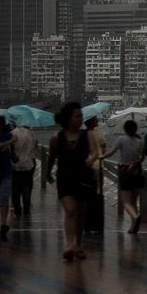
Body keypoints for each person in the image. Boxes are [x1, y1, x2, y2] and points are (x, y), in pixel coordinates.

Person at [45, 103, 94, 261]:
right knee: (71, 210)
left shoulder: (87, 135)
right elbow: (52, 156)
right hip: (65, 178)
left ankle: (78, 244)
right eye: (77, 116)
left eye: (81, 116)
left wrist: (90, 158)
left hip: (83, 178)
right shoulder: (56, 138)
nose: (81, 119)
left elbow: (94, 152)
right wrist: (47, 173)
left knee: (81, 213)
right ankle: (70, 245)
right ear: (68, 118)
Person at [104, 119, 147, 234]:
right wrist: (134, 163)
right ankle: (133, 226)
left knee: (126, 202)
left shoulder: (121, 139)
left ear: (125, 129)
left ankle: (135, 217)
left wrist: (101, 156)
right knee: (134, 201)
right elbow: (142, 158)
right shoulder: (140, 141)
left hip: (125, 172)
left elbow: (110, 153)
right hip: (138, 173)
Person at [9, 121, 38, 217]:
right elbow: (35, 145)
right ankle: (26, 207)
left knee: (15, 188)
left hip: (15, 165)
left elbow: (10, 148)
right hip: (28, 164)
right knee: (27, 186)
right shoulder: (31, 133)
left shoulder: (13, 133)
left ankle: (17, 208)